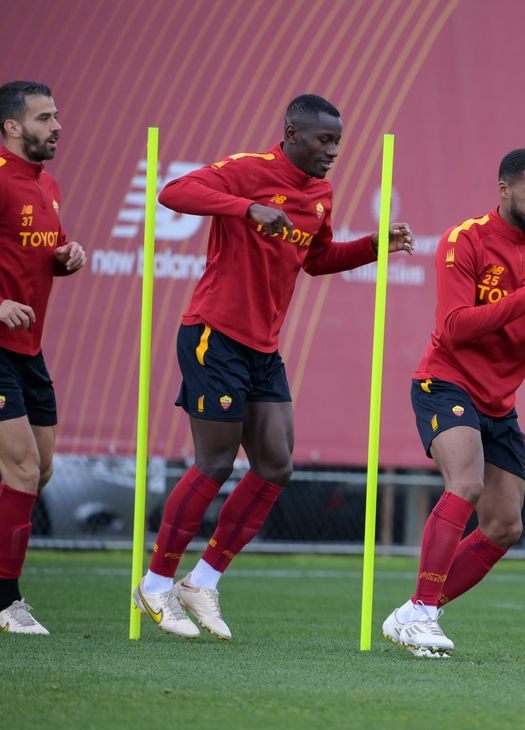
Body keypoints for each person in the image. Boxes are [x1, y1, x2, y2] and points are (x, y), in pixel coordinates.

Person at [133, 94, 414, 640]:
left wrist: (374, 246)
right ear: (290, 133)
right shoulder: (247, 172)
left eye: (337, 142)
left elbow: (317, 259)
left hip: (263, 348)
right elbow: (172, 191)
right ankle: (155, 580)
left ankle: (204, 580)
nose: (332, 151)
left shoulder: (322, 194)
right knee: (214, 463)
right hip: (213, 333)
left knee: (275, 466)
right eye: (322, 140)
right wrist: (246, 208)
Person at [383, 148, 525, 657]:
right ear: (505, 190)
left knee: (505, 525)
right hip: (445, 381)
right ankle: (424, 613)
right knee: (464, 483)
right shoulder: (463, 240)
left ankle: (413, 610)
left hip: (499, 401)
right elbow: (453, 328)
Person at [0, 81, 87, 635]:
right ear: (12, 127)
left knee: (42, 470)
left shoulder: (46, 183)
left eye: (56, 116)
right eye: (44, 118)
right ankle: (6, 600)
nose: (56, 126)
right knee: (24, 468)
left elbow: (30, 253)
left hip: (31, 350)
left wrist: (64, 257)